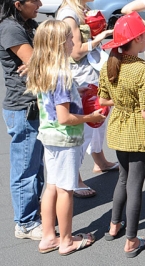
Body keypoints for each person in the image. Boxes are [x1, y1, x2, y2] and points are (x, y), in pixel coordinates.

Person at [26, 20, 102, 255]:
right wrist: (91, 115)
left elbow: (53, 103)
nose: (73, 42)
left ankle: (49, 236)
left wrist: (75, 93)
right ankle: (67, 241)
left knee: (52, 187)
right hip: (65, 138)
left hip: (48, 136)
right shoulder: (62, 75)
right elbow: (65, 117)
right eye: (70, 38)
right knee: (66, 190)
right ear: (59, 44)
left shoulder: (42, 70)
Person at [99, 12, 145, 258]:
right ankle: (131, 240)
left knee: (123, 179)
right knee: (135, 184)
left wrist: (123, 101)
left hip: (119, 127)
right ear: (135, 40)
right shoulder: (141, 70)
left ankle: (114, 225)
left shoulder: (110, 64)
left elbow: (103, 99)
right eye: (144, 35)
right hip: (138, 130)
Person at [57, 0, 117, 199]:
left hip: (92, 72)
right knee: (85, 127)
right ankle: (75, 179)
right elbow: (75, 52)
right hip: (81, 76)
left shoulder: (81, 10)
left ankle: (99, 161)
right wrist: (102, 38)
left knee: (99, 118)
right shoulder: (70, 15)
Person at [0, 0, 45, 239]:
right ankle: (25, 223)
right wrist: (40, 59)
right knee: (25, 168)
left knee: (35, 166)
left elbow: (46, 57)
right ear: (18, 4)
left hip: (34, 103)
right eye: (34, 1)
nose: (39, 4)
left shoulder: (28, 24)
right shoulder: (10, 29)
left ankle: (34, 213)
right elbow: (37, 61)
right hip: (23, 106)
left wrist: (42, 58)